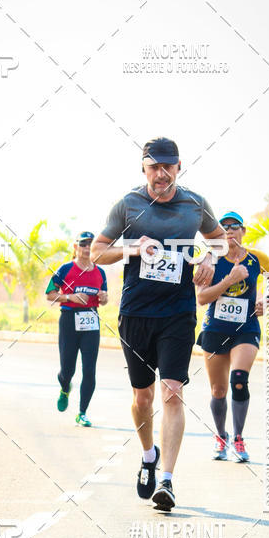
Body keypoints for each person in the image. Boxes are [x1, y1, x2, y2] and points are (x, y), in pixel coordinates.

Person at [91, 137, 225, 510]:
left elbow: (218, 242)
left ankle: (166, 481)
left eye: (168, 166)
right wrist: (134, 247)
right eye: (154, 166)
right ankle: (148, 455)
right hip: (136, 312)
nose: (161, 173)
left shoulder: (195, 205)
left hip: (178, 313)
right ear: (144, 168)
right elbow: (98, 252)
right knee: (143, 397)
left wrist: (210, 260)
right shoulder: (128, 205)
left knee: (171, 392)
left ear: (179, 167)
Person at [196, 211, 269, 462]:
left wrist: (266, 299)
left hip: (246, 328)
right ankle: (221, 436)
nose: (230, 230)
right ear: (218, 233)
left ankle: (239, 439)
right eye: (224, 227)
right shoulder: (210, 260)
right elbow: (201, 298)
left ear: (244, 231)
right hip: (215, 329)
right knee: (218, 390)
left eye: (235, 226)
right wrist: (230, 279)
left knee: (239, 380)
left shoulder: (257, 258)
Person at [45, 231, 108, 427]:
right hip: (69, 321)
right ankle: (65, 388)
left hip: (91, 321)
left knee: (89, 370)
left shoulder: (100, 272)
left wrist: (104, 298)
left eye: (91, 244)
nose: (87, 248)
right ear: (75, 247)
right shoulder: (65, 269)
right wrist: (69, 297)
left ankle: (82, 412)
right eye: (83, 244)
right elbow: (49, 294)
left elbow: (104, 297)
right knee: (67, 369)